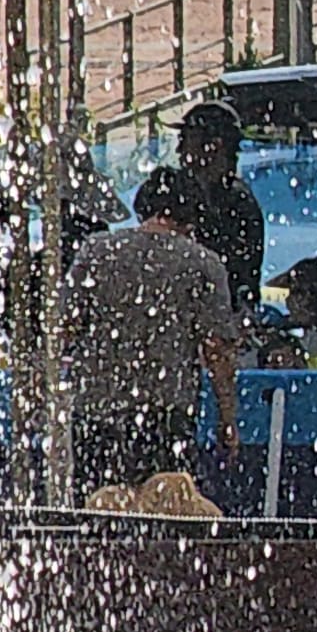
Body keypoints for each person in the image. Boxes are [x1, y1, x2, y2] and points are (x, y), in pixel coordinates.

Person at [61, 166, 243, 502]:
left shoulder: (97, 251)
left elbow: (65, 329)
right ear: (192, 218)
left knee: (99, 512)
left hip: (97, 410)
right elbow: (216, 350)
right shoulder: (203, 264)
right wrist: (228, 419)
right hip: (165, 414)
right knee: (167, 514)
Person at [171, 97, 267, 316]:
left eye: (185, 139)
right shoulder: (179, 188)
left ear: (214, 145)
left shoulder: (237, 203)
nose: (178, 149)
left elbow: (234, 275)